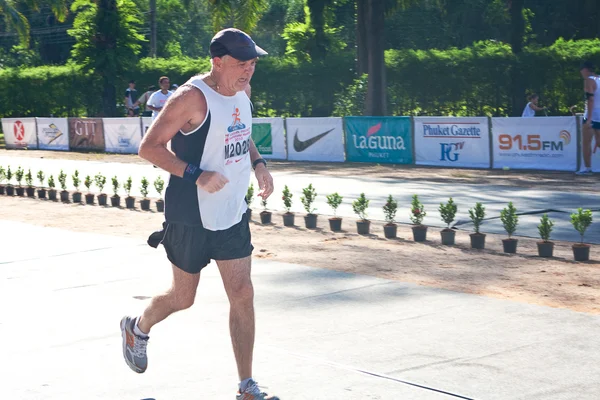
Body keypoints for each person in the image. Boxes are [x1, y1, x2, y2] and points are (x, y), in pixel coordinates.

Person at [120, 28, 279, 400]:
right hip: (190, 212)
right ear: (217, 62)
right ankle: (137, 327)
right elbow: (149, 147)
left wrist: (259, 165)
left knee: (242, 292)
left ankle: (246, 386)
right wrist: (197, 175)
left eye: (253, 64)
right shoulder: (190, 99)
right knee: (183, 297)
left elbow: (241, 132)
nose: (248, 71)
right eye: (242, 64)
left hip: (231, 210)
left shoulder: (243, 92)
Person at [577, 61, 600, 175]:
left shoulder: (588, 81)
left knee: (586, 143)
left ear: (585, 70)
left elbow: (590, 100)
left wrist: (589, 119)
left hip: (592, 116)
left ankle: (587, 168)